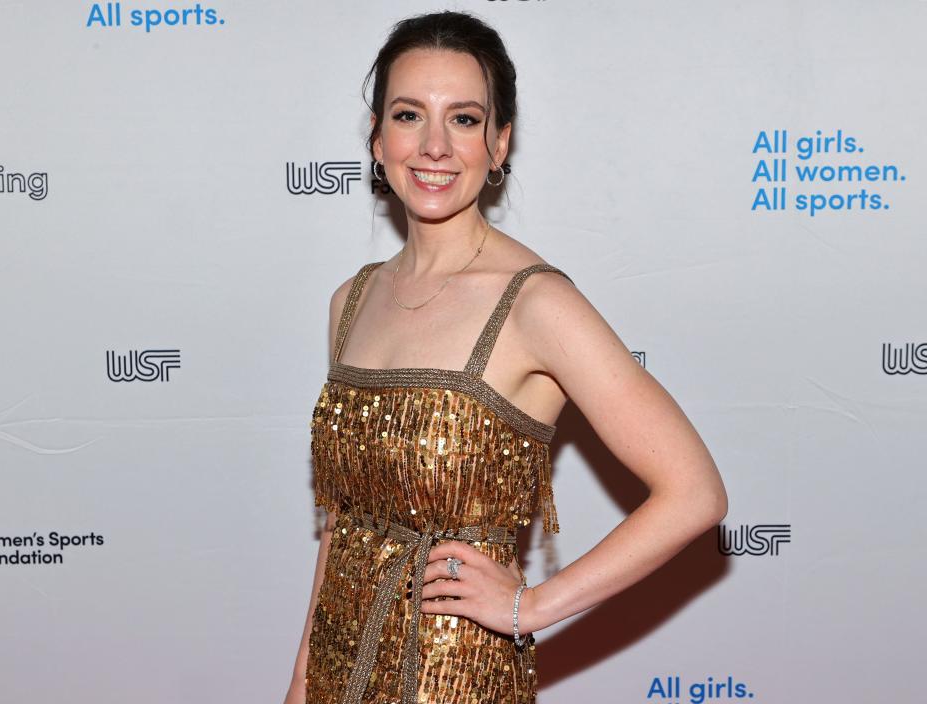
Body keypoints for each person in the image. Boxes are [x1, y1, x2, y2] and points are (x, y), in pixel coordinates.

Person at [284, 10, 728, 704]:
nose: (434, 145)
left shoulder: (535, 303)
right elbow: (345, 524)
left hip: (457, 680)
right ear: (376, 138)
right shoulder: (352, 300)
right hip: (340, 672)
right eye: (408, 115)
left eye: (463, 119)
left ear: (499, 143)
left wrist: (531, 608)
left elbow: (695, 493)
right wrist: (301, 683)